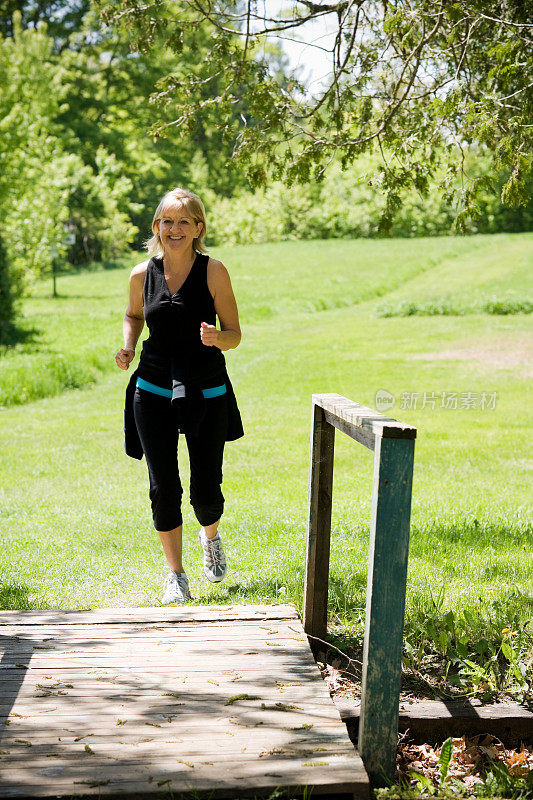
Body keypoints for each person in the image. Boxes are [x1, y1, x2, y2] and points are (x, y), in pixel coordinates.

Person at [115, 187, 243, 604]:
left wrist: (216, 337)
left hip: (206, 388)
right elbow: (134, 315)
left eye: (183, 221)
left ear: (198, 228)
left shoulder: (214, 271)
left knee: (206, 490)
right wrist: (130, 345)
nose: (174, 229)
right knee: (162, 485)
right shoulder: (141, 274)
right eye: (167, 221)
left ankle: (211, 535)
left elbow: (235, 335)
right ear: (156, 226)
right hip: (152, 386)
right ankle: (176, 576)